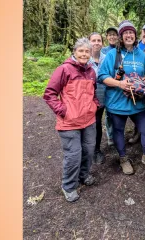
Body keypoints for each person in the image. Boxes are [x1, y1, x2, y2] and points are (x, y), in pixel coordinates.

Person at [98, 20, 145, 175]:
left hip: (137, 102)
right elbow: (102, 76)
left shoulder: (140, 53)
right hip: (117, 102)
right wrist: (119, 84)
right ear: (121, 36)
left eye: (131, 32)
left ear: (134, 35)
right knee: (118, 130)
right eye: (125, 33)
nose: (128, 35)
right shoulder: (113, 54)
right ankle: (123, 158)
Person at [43, 38, 98, 202]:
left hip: (89, 120)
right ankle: (68, 186)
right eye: (81, 50)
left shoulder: (91, 72)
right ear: (74, 52)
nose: (84, 54)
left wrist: (94, 105)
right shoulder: (64, 69)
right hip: (69, 123)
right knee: (73, 155)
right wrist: (63, 111)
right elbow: (49, 94)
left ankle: (83, 175)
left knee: (89, 151)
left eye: (87, 51)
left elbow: (93, 93)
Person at [88, 32, 111, 165]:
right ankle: (86, 150)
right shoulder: (84, 57)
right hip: (86, 99)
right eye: (93, 40)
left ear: (102, 43)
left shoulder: (106, 58)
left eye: (99, 40)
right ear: (89, 42)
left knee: (97, 124)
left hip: (102, 98)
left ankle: (96, 150)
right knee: (87, 125)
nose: (96, 43)